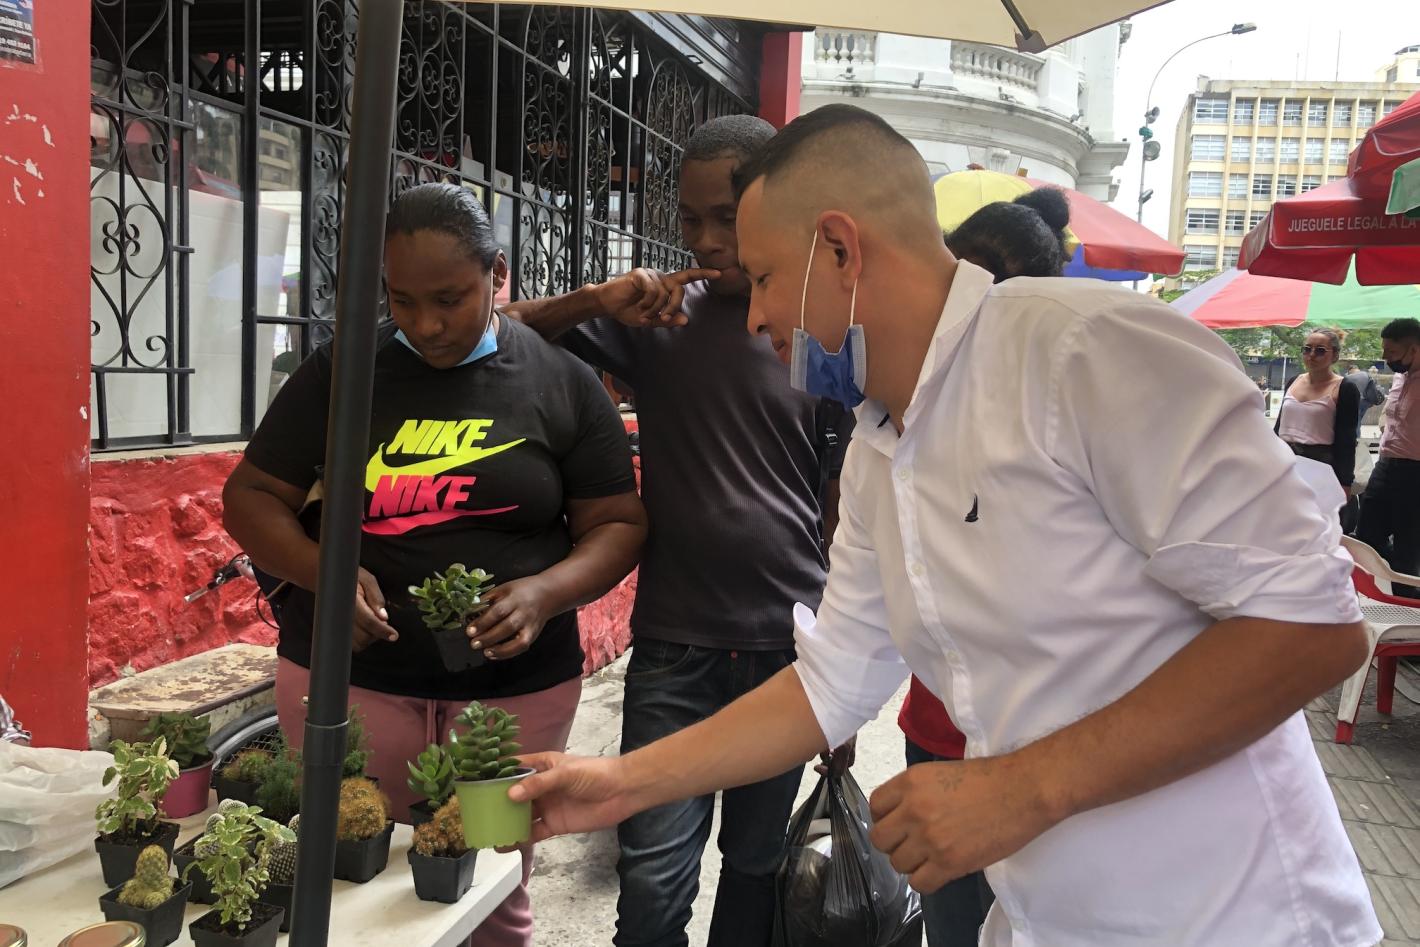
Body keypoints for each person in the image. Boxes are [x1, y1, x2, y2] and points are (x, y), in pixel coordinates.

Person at [508, 104, 1380, 946]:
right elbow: (829, 684)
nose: (758, 314)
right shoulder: (877, 449)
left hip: (1233, 916)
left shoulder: (1081, 351)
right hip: (1042, 917)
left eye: (766, 277)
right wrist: (620, 782)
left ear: (841, 248)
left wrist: (1024, 788)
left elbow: (1314, 627)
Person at [222, 183, 646, 947]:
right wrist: (324, 571)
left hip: (514, 694)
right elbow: (251, 497)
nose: (426, 324)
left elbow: (617, 523)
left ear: (498, 275)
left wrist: (545, 593)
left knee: (488, 886)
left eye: (450, 298)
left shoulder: (561, 381)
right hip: (351, 681)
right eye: (403, 300)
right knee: (355, 884)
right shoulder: (344, 370)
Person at [503, 115, 854, 947]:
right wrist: (598, 300)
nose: (705, 240)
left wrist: (843, 684)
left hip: (788, 650)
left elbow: (844, 510)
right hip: (675, 648)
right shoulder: (659, 318)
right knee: (653, 877)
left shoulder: (818, 331)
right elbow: (500, 332)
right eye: (690, 219)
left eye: (726, 218)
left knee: (757, 866)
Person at [896, 184, 1074, 947]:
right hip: (940, 734)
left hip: (1048, 755)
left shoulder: (1070, 421)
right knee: (952, 927)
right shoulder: (903, 420)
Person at [1357, 318, 1420, 597]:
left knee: (1408, 544)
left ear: (1414, 350)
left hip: (1415, 472)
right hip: (1385, 465)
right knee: (1366, 536)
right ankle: (1398, 580)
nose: (1385, 358)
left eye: (1391, 352)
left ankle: (1406, 603)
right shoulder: (1399, 378)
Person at [1273, 328, 1359, 499]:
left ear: (1335, 355)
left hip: (1319, 466)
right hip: (1283, 463)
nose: (1311, 355)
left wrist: (1345, 482)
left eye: (1320, 351)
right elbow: (1279, 425)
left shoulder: (1344, 388)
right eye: (1307, 349)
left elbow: (1347, 440)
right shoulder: (1294, 381)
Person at [1345, 361, 1386, 438]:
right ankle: (1356, 438)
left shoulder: (1347, 378)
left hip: (1356, 401)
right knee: (1358, 420)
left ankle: (1355, 438)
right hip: (1365, 401)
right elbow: (1372, 388)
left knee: (1356, 421)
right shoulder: (1365, 374)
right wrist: (1372, 401)